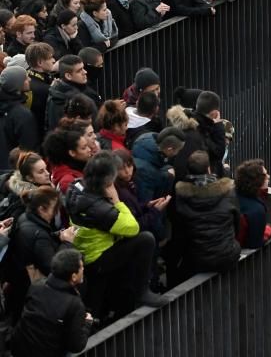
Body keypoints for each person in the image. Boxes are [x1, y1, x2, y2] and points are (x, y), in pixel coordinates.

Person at [63, 151, 165, 320]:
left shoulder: (77, 186)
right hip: (97, 256)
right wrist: (117, 200)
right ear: (108, 181)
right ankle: (143, 291)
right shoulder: (100, 208)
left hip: (87, 251)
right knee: (145, 239)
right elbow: (132, 228)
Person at [169, 150, 241, 282]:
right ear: (209, 168)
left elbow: (180, 228)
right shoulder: (228, 191)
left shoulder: (181, 195)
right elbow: (237, 221)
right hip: (227, 255)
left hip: (196, 258)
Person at [10, 248, 92, 356]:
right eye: (81, 267)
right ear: (73, 276)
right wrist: (87, 323)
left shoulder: (36, 286)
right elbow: (76, 345)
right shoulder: (74, 304)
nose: (83, 270)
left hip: (20, 349)